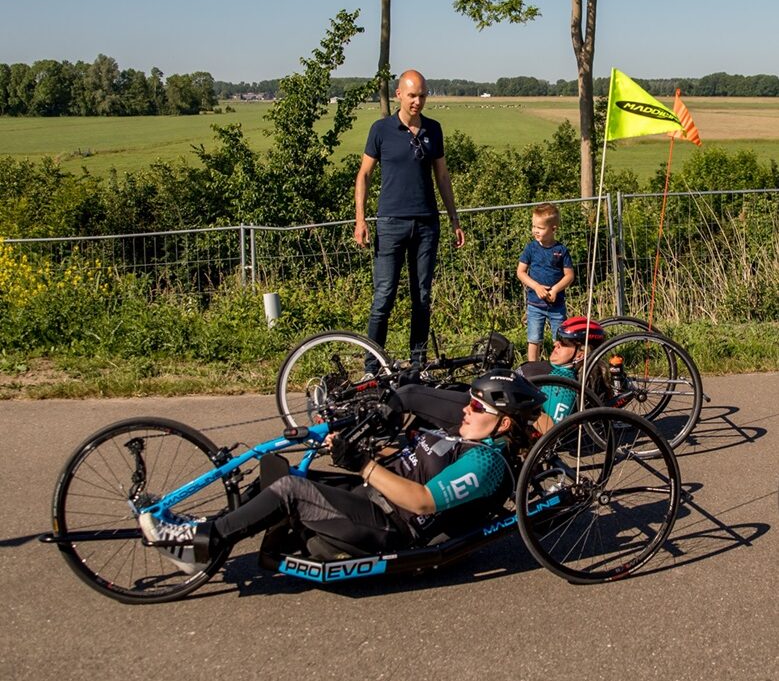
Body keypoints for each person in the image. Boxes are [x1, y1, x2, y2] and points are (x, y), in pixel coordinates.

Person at [139, 371, 547, 574]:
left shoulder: (486, 463)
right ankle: (204, 537)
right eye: (469, 401)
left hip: (395, 527)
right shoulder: (466, 436)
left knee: (290, 491)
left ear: (505, 423)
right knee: (275, 472)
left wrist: (363, 465)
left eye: (476, 407)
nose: (464, 408)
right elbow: (414, 458)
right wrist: (362, 448)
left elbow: (423, 500)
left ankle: (201, 542)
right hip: (377, 501)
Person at [354, 69, 466, 372]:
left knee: (422, 296)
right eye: (412, 95)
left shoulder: (434, 129)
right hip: (390, 223)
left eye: (422, 95)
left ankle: (417, 364)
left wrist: (454, 219)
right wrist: (360, 220)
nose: (418, 101)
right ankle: (372, 366)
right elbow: (363, 175)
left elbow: (442, 176)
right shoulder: (381, 130)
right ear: (398, 95)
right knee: (384, 296)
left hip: (427, 224)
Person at [518, 316, 606, 429]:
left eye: (564, 343)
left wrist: (523, 404)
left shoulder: (563, 384)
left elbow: (553, 431)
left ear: (580, 354)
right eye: (558, 339)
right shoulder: (555, 369)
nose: (556, 344)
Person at [516, 203, 575, 362]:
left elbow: (569, 275)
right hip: (535, 305)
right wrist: (536, 286)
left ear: (553, 229)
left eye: (540, 228)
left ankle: (562, 369)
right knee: (534, 340)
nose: (535, 230)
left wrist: (555, 289)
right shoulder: (531, 248)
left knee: (561, 340)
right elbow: (520, 272)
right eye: (533, 226)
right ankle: (532, 370)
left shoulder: (561, 250)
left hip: (557, 305)